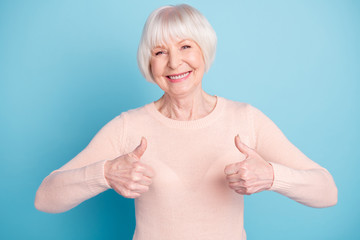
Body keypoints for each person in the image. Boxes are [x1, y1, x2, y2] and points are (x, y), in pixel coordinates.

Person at [35, 4, 337, 240]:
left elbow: (327, 192)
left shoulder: (245, 118)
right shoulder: (128, 126)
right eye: (159, 52)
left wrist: (271, 176)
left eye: (185, 46)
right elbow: (45, 198)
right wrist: (105, 173)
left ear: (204, 50)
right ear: (148, 62)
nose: (174, 62)